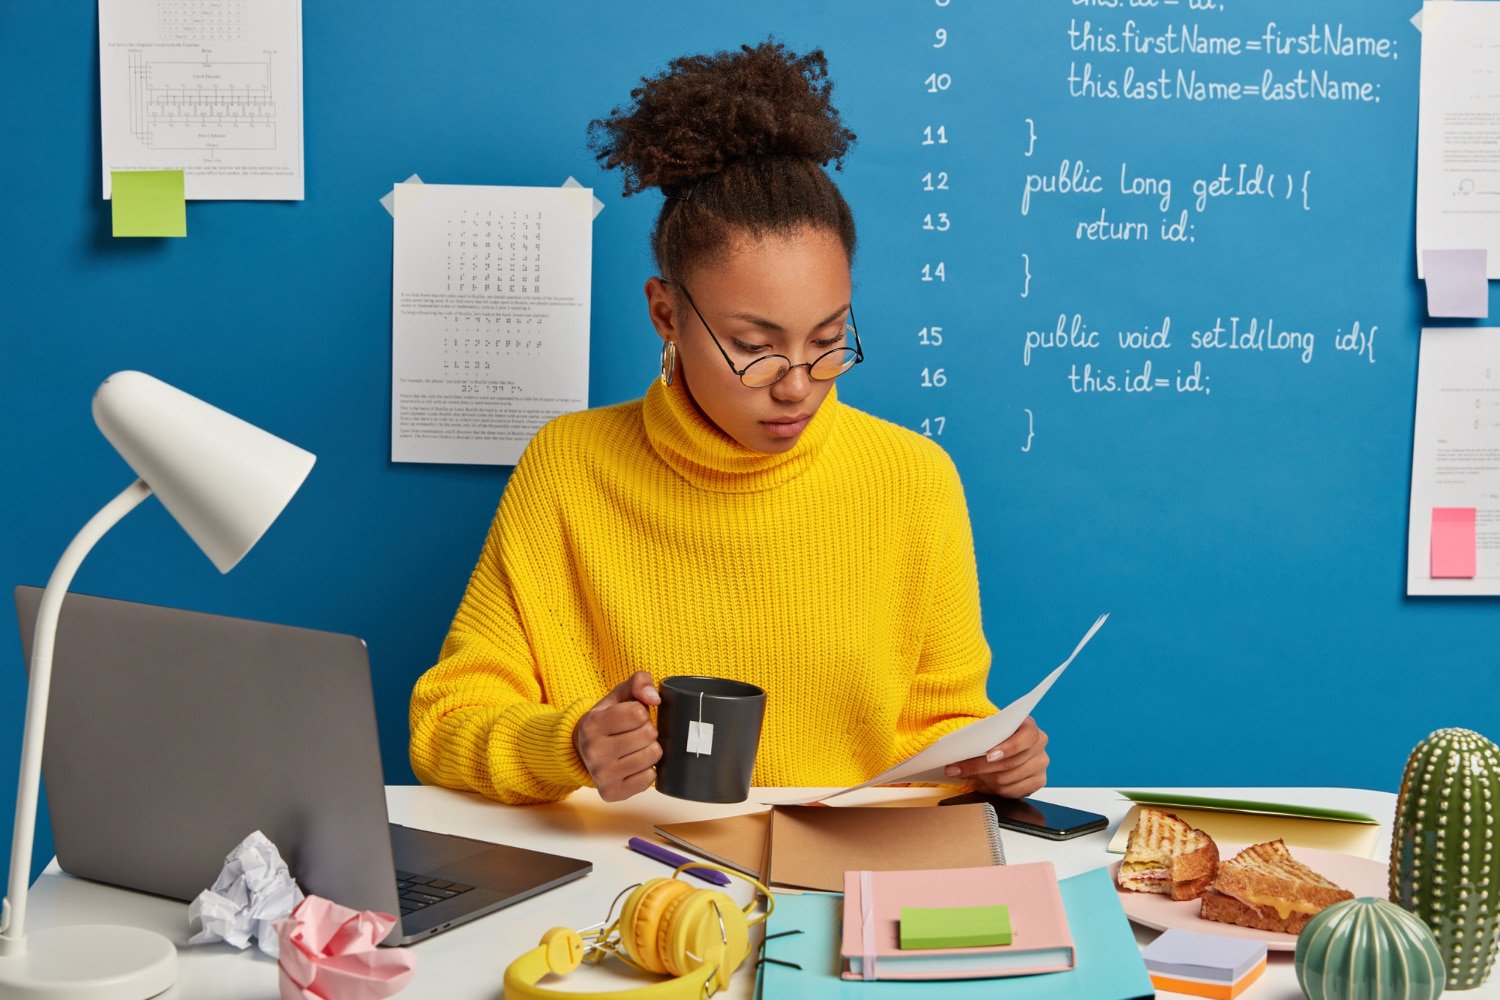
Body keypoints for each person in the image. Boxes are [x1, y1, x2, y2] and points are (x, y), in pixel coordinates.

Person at [408, 41, 1049, 805]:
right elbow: (445, 725)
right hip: (630, 876)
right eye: (754, 348)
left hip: (848, 882)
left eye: (828, 340)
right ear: (665, 314)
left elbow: (947, 731)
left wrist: (995, 759)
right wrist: (568, 744)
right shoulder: (570, 467)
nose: (798, 386)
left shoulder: (913, 478)